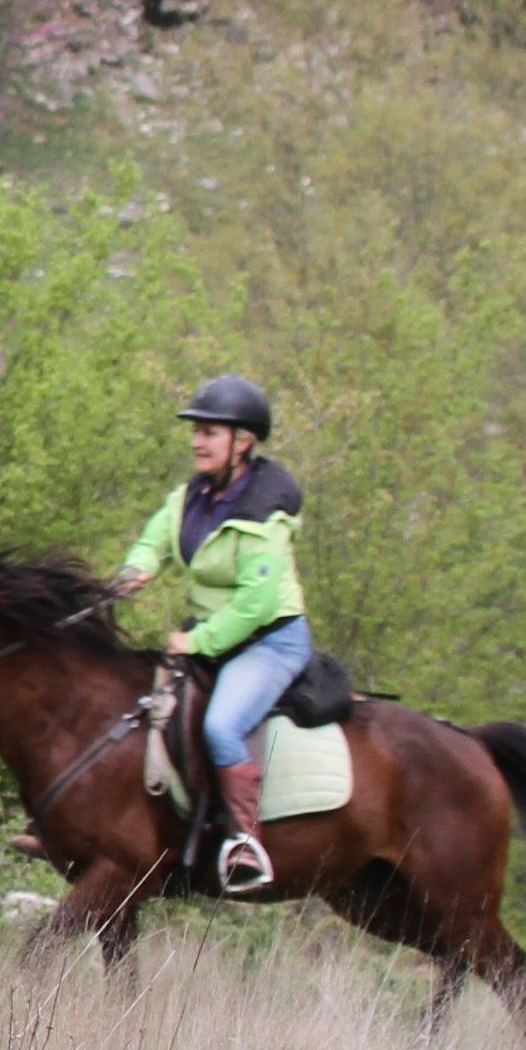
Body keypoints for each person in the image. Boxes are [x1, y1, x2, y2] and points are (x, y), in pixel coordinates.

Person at [111, 372, 309, 896]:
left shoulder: (265, 513)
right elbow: (153, 539)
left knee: (221, 726)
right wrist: (134, 571)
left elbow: (256, 603)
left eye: (210, 432)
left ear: (243, 442)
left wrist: (197, 643)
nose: (197, 441)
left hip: (268, 642)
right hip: (211, 638)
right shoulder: (190, 497)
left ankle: (245, 842)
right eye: (195, 431)